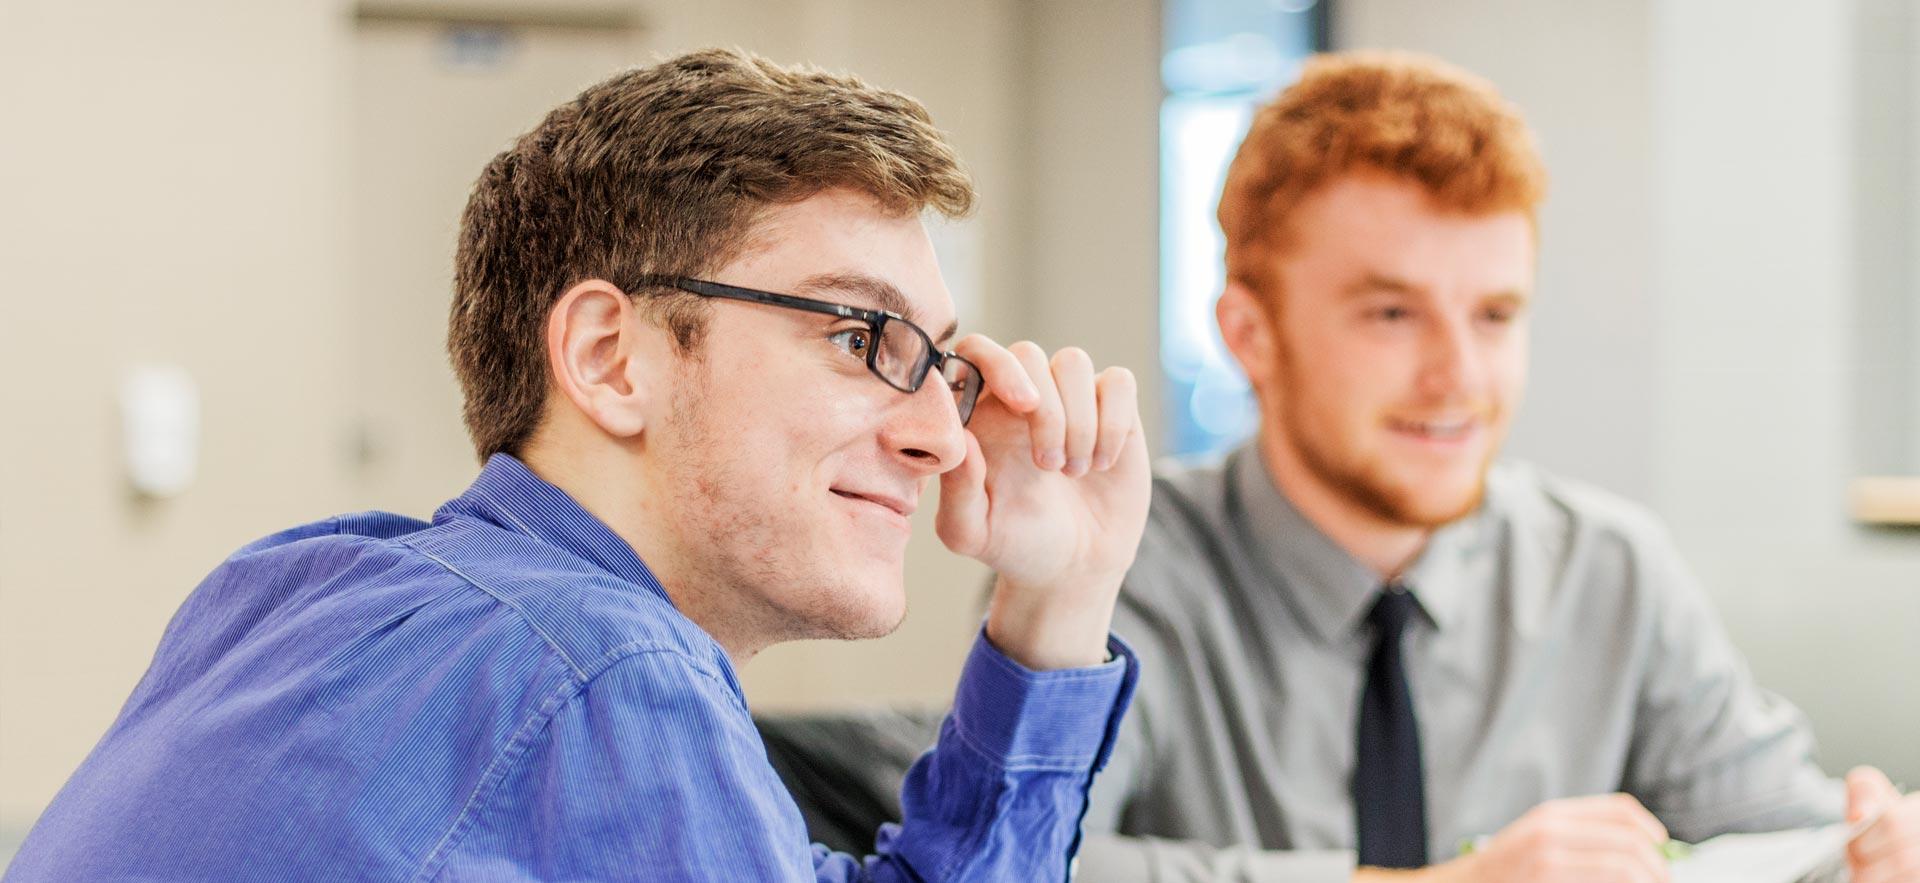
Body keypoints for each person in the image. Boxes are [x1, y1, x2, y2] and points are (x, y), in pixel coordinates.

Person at [7, 48, 1151, 882]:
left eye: (939, 366)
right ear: (611, 357)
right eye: (861, 337)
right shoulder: (607, 673)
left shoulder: (293, 587)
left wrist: (1061, 593)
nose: (945, 437)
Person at [1076, 51, 1920, 883]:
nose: (1461, 378)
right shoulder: (1117, 566)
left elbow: (1792, 838)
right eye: (1393, 313)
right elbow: (1015, 859)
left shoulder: (1610, 568)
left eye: (1494, 314)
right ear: (1250, 335)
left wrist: (1872, 858)